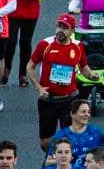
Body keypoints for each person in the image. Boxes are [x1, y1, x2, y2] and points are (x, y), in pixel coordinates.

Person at [27, 14, 97, 153]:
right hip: (48, 100)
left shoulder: (77, 46)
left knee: (69, 139)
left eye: (65, 28)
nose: (60, 30)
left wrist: (92, 75)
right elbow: (30, 66)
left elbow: (83, 68)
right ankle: (53, 159)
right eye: (59, 26)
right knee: (46, 142)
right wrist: (38, 87)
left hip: (69, 100)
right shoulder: (45, 44)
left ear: (72, 31)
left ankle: (66, 165)